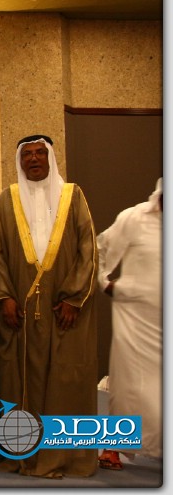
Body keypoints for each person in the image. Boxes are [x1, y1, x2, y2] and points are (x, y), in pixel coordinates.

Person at [0, 135, 98, 478]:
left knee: (65, 378)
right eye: (27, 155)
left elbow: (87, 248)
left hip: (63, 307)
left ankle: (61, 457)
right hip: (19, 308)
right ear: (19, 161)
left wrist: (74, 298)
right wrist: (5, 296)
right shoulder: (7, 200)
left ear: (50, 157)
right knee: (20, 377)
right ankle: (21, 454)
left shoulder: (72, 195)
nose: (34, 159)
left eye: (40, 153)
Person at [95, 177, 162, 470]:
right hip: (135, 318)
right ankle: (113, 446)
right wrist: (105, 283)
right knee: (128, 386)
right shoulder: (134, 218)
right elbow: (101, 248)